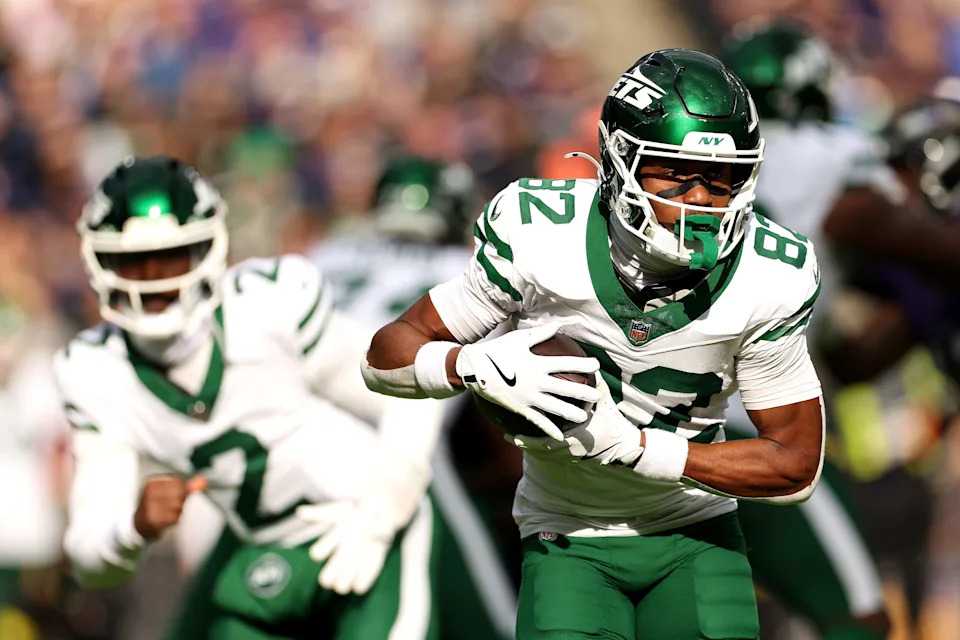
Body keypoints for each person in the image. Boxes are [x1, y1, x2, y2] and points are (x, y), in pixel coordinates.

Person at [363, 48, 825, 640]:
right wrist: (473, 364)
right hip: (567, 535)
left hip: (694, 533)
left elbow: (793, 464)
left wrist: (637, 449)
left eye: (721, 177)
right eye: (675, 173)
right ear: (616, 161)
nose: (702, 198)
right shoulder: (539, 235)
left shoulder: (769, 274)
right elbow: (386, 354)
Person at [56, 155, 446, 639]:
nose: (154, 279)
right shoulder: (97, 372)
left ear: (208, 250)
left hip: (367, 528)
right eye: (134, 262)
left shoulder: (264, 305)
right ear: (101, 261)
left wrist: (382, 511)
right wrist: (132, 527)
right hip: (265, 553)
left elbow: (406, 389)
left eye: (171, 257)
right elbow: (89, 554)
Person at [722, 20, 894, 639]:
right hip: (743, 428)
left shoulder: (686, 162)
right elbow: (919, 238)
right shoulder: (826, 157)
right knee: (860, 619)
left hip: (643, 427)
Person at [309, 155, 519, 640]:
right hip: (402, 446)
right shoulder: (468, 270)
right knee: (487, 615)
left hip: (299, 436)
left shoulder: (325, 256)